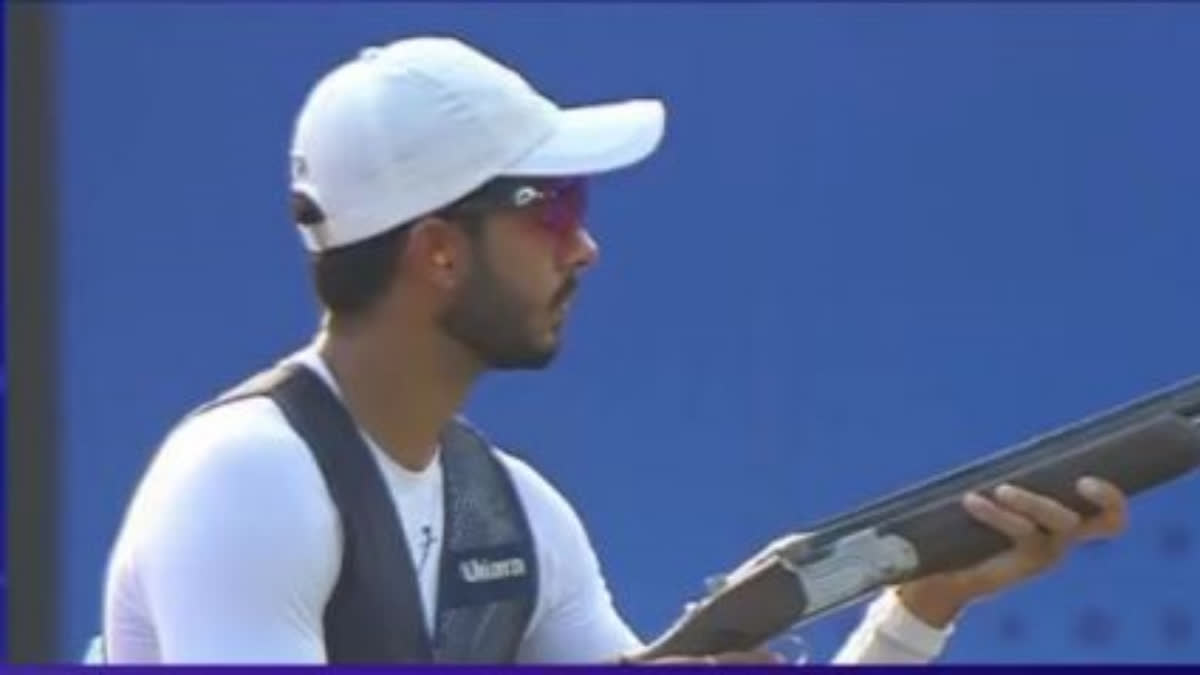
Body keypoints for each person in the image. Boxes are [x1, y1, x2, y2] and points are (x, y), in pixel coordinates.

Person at [98, 36, 1129, 665]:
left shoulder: (518, 512)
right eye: (551, 207)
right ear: (440, 251)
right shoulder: (246, 478)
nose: (585, 244)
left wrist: (921, 602)